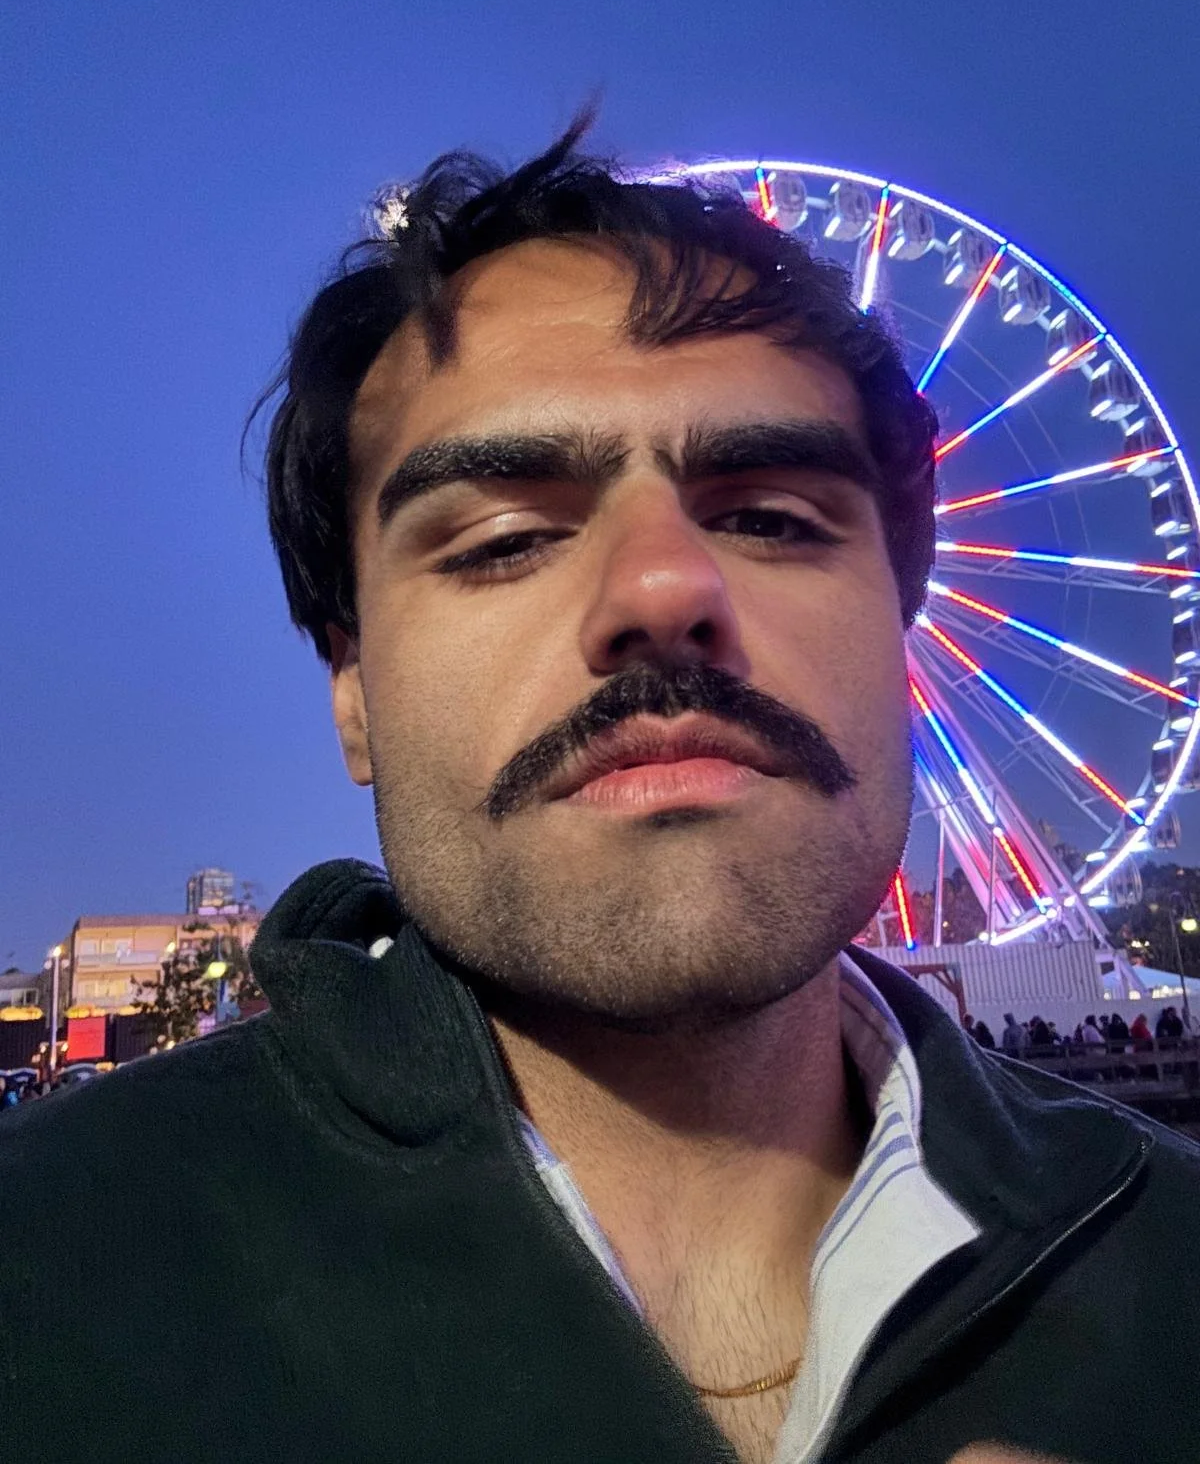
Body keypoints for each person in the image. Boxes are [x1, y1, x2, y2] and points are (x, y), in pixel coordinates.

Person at [1, 118, 1198, 1464]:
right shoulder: (47, 1293)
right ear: (353, 690)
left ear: (900, 605)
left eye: (770, 518)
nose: (665, 586)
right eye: (507, 539)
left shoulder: (1173, 1280)